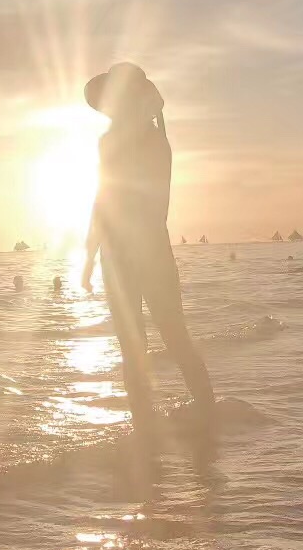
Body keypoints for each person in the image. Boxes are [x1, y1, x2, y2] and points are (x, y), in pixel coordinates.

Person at [81, 62, 214, 433]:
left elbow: (130, 199)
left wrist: (100, 250)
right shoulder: (120, 140)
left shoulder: (152, 140)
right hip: (125, 250)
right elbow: (102, 197)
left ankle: (201, 415)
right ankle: (148, 430)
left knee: (170, 335)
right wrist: (90, 253)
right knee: (137, 343)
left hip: (142, 248)